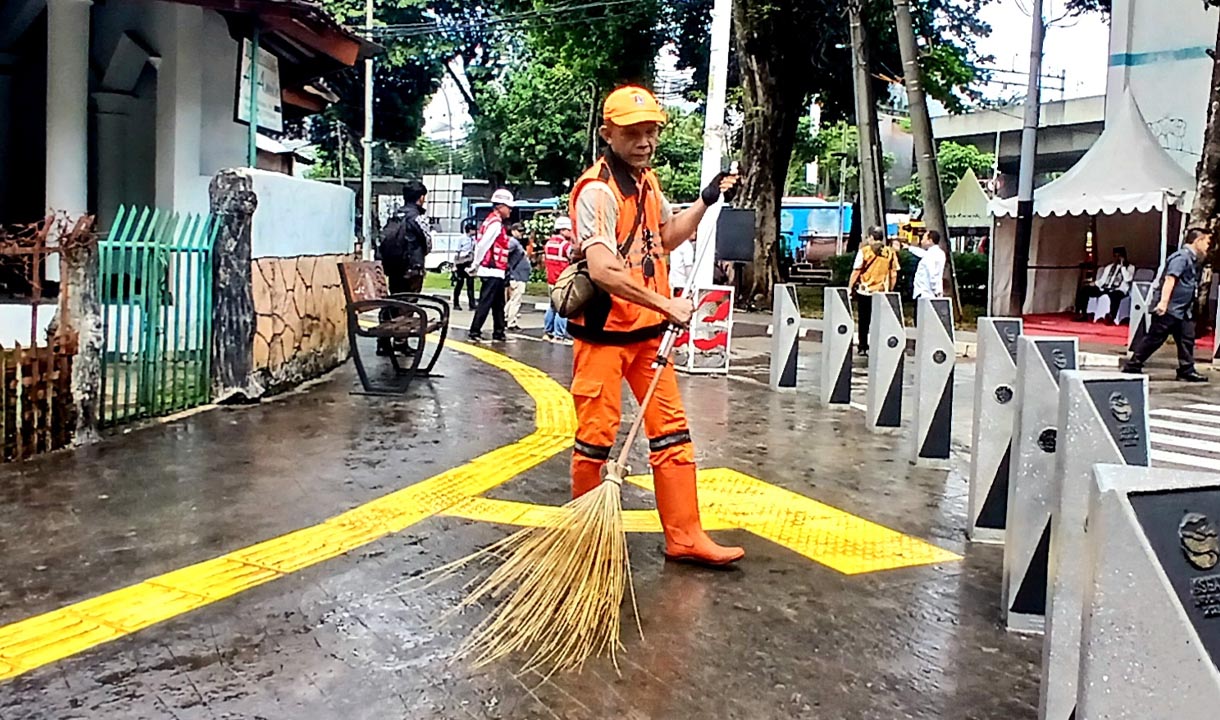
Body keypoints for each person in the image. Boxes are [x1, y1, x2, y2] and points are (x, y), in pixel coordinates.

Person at [569, 85, 743, 566]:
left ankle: (685, 535)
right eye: (632, 133)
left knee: (672, 434)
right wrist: (666, 305)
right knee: (596, 440)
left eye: (651, 132)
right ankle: (587, 540)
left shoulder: (647, 182)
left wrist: (706, 201)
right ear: (608, 134)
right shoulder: (597, 191)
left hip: (647, 336)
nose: (645, 141)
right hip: (604, 336)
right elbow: (603, 270)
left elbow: (664, 239)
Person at [1123, 228, 1212, 382]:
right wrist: (1163, 303)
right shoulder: (1181, 258)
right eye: (1207, 242)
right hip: (1171, 307)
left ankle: (1186, 369)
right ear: (1198, 241)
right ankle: (1133, 364)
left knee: (1186, 338)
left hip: (1183, 309)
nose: (1208, 246)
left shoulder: (1192, 259)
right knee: (1155, 338)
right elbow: (1170, 279)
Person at [376, 179, 431, 354]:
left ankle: (384, 341)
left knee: (394, 301)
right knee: (408, 304)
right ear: (421, 198)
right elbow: (428, 243)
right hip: (412, 269)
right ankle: (401, 342)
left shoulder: (395, 216)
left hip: (394, 268)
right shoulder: (418, 217)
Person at [468, 189, 514, 343]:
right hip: (491, 269)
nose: (510, 210)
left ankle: (499, 332)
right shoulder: (495, 224)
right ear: (500, 207)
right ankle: (475, 331)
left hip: (496, 270)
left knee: (498, 304)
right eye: (508, 207)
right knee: (486, 302)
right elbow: (483, 245)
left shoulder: (491, 221)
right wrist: (475, 264)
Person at [847, 227, 899, 357]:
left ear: (871, 237)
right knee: (879, 320)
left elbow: (857, 271)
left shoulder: (864, 251)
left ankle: (863, 346)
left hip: (865, 290)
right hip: (882, 291)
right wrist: (890, 289)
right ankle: (878, 345)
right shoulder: (890, 252)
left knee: (864, 320)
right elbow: (893, 273)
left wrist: (850, 287)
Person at [1075, 247, 1135, 323]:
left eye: (1119, 256)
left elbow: (1128, 279)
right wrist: (1095, 283)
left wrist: (1123, 267)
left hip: (1119, 290)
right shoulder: (1109, 267)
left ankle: (1111, 316)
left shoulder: (1130, 268)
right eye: (1115, 256)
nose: (1117, 258)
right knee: (1085, 290)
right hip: (1105, 288)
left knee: (1115, 296)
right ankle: (1083, 313)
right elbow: (1103, 280)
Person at [543, 217, 575, 344]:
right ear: (562, 230)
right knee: (562, 308)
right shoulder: (565, 245)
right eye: (569, 230)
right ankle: (559, 336)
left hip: (551, 280)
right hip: (562, 281)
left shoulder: (548, 244)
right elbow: (574, 257)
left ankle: (548, 332)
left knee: (552, 307)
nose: (571, 232)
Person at [910, 230, 947, 324]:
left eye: (923, 238)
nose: (921, 241)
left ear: (930, 241)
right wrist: (909, 248)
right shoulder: (938, 253)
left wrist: (935, 291)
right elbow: (922, 253)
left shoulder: (930, 255)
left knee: (922, 323)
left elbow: (932, 274)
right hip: (929, 293)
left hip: (925, 293)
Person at [505, 224, 530, 331]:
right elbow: (505, 254)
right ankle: (511, 322)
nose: (521, 233)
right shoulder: (513, 242)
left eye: (522, 231)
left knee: (513, 299)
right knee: (516, 300)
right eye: (519, 231)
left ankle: (505, 317)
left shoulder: (516, 242)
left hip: (519, 275)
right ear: (513, 231)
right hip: (516, 275)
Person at [452, 220, 477, 311]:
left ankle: (472, 305)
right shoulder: (461, 238)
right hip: (461, 262)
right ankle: (456, 303)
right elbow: (457, 252)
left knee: (470, 284)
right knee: (460, 283)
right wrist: (455, 265)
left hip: (469, 262)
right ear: (469, 230)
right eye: (473, 230)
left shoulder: (473, 239)